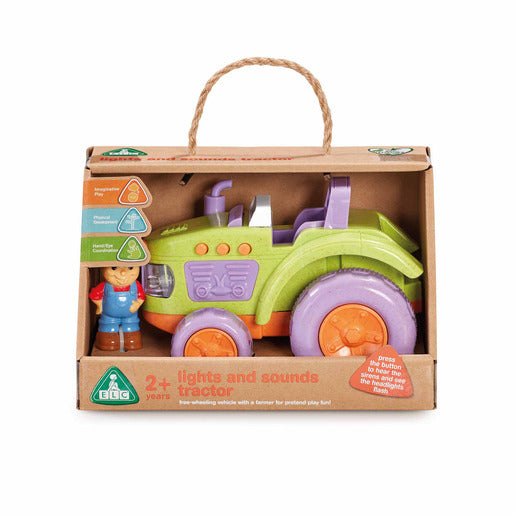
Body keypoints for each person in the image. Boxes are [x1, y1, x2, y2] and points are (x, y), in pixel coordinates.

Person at [89, 266, 145, 350]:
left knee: (131, 332)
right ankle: (108, 340)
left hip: (131, 317)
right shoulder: (105, 286)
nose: (123, 273)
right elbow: (94, 295)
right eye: (114, 268)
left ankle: (131, 339)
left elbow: (141, 296)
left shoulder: (136, 285)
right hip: (109, 317)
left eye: (130, 268)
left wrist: (138, 304)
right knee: (108, 333)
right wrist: (99, 305)